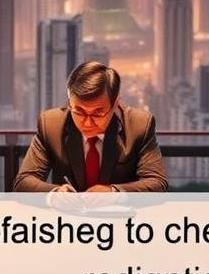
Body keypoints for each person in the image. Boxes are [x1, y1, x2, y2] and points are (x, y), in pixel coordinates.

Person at [14, 61, 168, 192]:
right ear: (69, 103)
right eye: (79, 111)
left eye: (98, 113)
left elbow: (157, 183)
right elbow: (23, 182)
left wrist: (114, 193)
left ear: (116, 104)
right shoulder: (51, 124)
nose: (87, 123)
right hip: (67, 214)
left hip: (121, 215)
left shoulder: (139, 125)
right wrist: (55, 193)